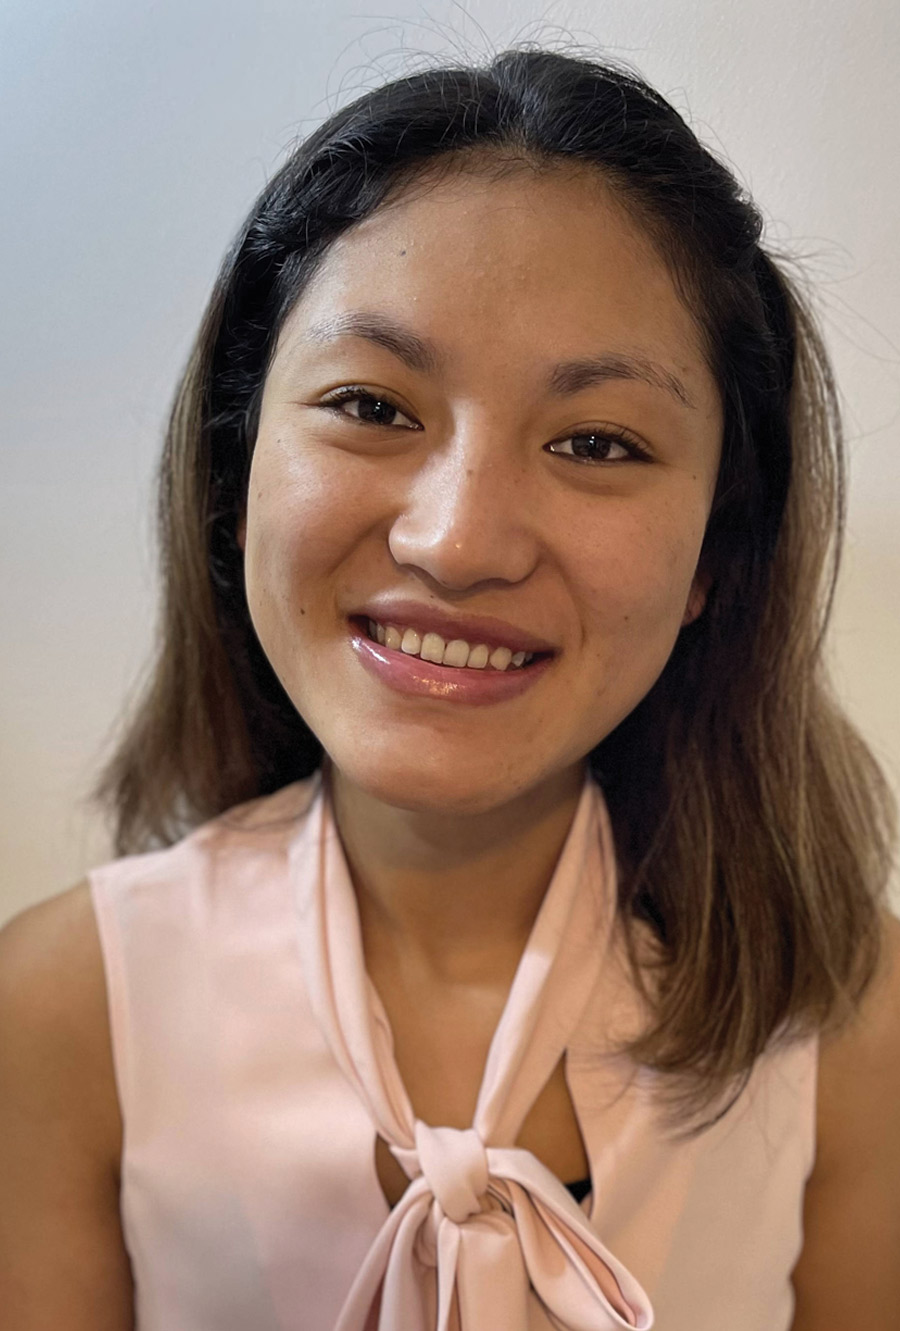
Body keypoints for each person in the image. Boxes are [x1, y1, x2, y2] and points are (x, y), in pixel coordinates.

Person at [1, 43, 898, 1331]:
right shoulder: (61, 1010)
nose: (460, 542)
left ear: (718, 554)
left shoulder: (855, 1028)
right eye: (373, 404)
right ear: (234, 472)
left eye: (596, 442)